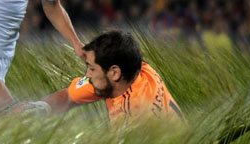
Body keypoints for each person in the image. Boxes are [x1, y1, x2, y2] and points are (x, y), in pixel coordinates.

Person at [38, 30, 185, 125]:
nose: (87, 75)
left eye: (92, 68)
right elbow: (68, 97)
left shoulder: (130, 118)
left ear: (115, 73)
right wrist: (37, 109)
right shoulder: (136, 68)